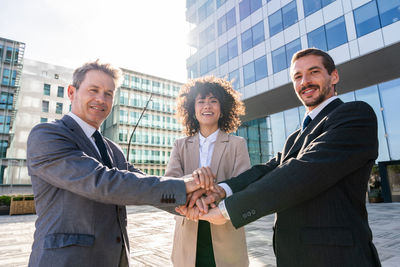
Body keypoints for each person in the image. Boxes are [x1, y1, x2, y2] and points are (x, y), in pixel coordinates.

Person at [185, 48, 382, 267]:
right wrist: (223, 190)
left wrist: (228, 209)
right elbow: (268, 170)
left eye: (313, 72)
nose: (304, 82)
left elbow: (304, 171)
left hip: (337, 258)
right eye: (297, 77)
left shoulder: (354, 115)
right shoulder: (295, 137)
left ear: (334, 76)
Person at [26, 60, 214, 267]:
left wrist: (194, 203)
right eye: (94, 90)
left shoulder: (112, 148)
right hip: (66, 261)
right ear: (72, 92)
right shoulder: (47, 135)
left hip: (114, 259)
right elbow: (102, 181)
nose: (101, 99)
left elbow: (139, 183)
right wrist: (183, 185)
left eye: (108, 93)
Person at [165, 76, 251, 267]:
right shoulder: (180, 145)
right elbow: (169, 185)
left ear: (223, 109)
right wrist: (192, 204)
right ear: (192, 109)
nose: (207, 106)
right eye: (201, 101)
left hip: (225, 229)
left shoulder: (237, 144)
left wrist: (212, 200)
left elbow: (244, 185)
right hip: (187, 230)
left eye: (213, 101)